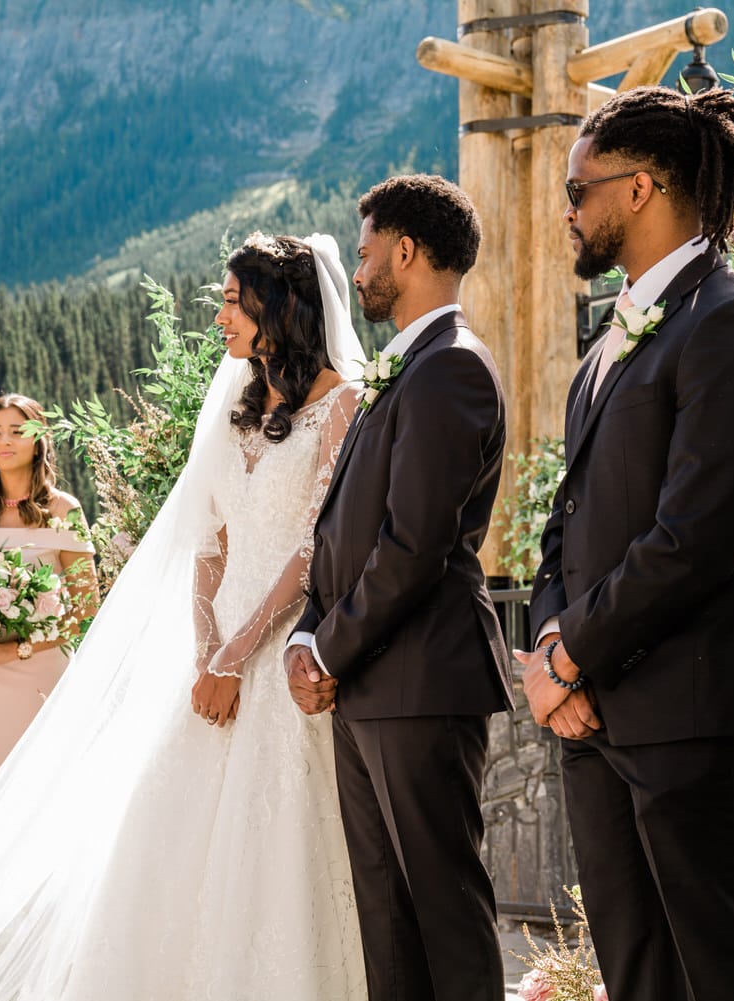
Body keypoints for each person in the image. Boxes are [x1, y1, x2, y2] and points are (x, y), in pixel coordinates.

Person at [0, 232, 367, 1000]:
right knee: (160, 837)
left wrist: (237, 656)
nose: (220, 321)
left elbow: (313, 551)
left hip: (279, 654)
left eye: (233, 303)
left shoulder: (341, 404)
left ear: (282, 305)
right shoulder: (238, 410)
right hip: (209, 658)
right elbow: (211, 543)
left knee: (270, 846)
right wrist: (205, 648)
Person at [517, 87, 734, 1001]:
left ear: (639, 188)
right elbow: (565, 523)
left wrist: (573, 652)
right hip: (595, 715)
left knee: (724, 968)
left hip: (692, 709)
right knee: (636, 971)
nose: (567, 210)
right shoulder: (608, 340)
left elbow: (697, 535)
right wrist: (552, 644)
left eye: (578, 189)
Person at [285, 174, 511, 1001]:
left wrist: (329, 648)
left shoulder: (451, 368)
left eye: (371, 250)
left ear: (408, 252)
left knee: (443, 908)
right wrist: (308, 634)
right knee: (384, 911)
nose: (365, 268)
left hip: (420, 676)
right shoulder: (406, 367)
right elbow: (340, 532)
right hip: (367, 683)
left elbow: (413, 544)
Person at [0, 395, 96, 835]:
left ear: (38, 440)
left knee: (42, 801)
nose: (4, 440)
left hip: (39, 674)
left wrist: (16, 649)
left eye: (16, 430)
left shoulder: (63, 509)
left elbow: (86, 607)